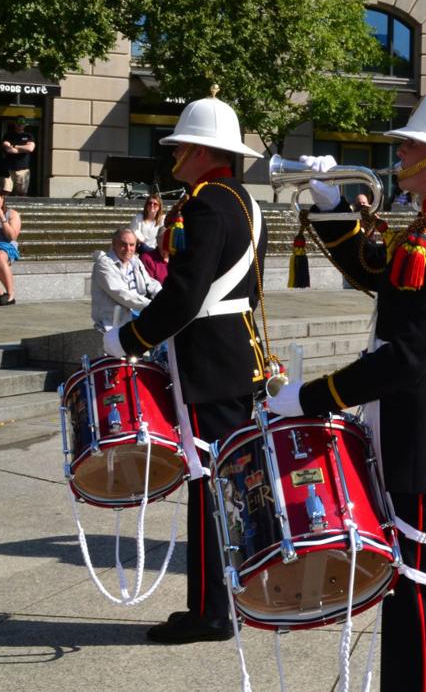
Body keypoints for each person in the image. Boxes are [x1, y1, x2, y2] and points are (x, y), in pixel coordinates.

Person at [266, 83, 426, 691]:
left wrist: (309, 397)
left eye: (411, 147)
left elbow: (408, 357)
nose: (400, 157)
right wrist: (329, 204)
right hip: (409, 424)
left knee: (422, 596)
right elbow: (376, 271)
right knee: (406, 589)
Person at [103, 89, 268, 645]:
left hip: (208, 360)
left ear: (202, 150)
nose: (175, 153)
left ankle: (210, 614)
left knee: (208, 490)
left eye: (183, 145)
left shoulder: (204, 204)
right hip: (232, 355)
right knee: (220, 489)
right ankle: (216, 604)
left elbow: (186, 294)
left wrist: (126, 339)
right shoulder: (241, 199)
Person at [91, 227, 160, 333]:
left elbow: (150, 283)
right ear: (114, 244)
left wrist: (164, 296)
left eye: (132, 245)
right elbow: (121, 293)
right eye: (123, 244)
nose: (128, 249)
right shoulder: (103, 264)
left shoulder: (135, 261)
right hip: (113, 323)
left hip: (137, 316)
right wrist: (153, 306)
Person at [129, 192, 169, 283]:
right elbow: (135, 233)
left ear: (159, 207)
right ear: (146, 206)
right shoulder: (139, 218)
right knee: (144, 247)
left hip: (158, 250)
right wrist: (145, 243)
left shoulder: (162, 219)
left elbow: (163, 234)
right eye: (150, 203)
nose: (152, 205)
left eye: (155, 204)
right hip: (142, 248)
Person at [0, 118, 35, 196]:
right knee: (5, 190)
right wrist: (23, 149)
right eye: (18, 123)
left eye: (22, 123)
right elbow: (8, 149)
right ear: (15, 124)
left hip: (23, 168)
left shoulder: (28, 136)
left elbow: (30, 148)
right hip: (8, 168)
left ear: (25, 125)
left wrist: (15, 146)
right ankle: (2, 207)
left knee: (22, 193)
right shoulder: (8, 135)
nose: (19, 125)